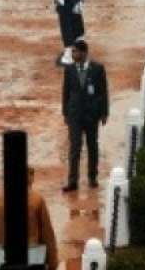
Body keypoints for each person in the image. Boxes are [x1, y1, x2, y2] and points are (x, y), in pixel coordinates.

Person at [0, 166, 59, 269]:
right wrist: (52, 264)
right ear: (30, 179)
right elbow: (47, 236)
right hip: (30, 258)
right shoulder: (37, 200)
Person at [62, 39, 108, 192]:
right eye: (72, 51)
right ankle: (72, 181)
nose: (73, 54)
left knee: (92, 146)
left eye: (75, 51)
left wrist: (104, 112)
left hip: (91, 115)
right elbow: (66, 92)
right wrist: (65, 112)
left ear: (83, 52)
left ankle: (92, 177)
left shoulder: (98, 69)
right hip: (74, 115)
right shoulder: (69, 70)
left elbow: (103, 92)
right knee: (74, 148)